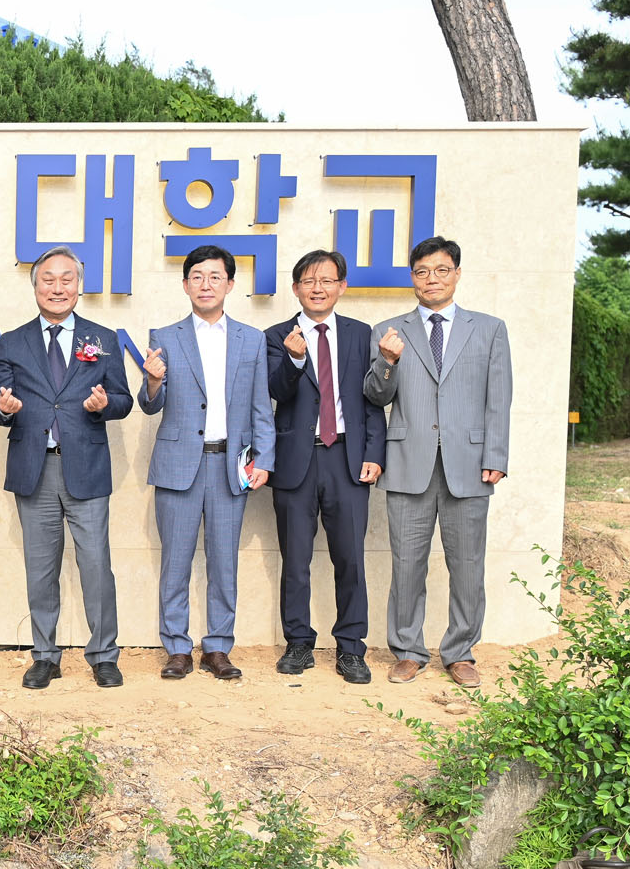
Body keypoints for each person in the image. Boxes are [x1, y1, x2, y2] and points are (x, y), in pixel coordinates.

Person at [363, 236, 511, 688]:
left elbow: (499, 398)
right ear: (413, 278)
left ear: (457, 274)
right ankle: (408, 651)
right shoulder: (388, 330)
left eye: (441, 270)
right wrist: (387, 361)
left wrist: (496, 455)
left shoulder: (489, 329)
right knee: (408, 564)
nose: (432, 279)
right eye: (423, 271)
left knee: (467, 564)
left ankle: (460, 652)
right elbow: (375, 396)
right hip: (408, 461)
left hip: (470, 463)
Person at [0, 245, 133, 690]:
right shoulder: (12, 341)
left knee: (96, 566)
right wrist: (5, 408)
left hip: (86, 467)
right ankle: (45, 656)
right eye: (48, 279)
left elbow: (124, 400)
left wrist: (105, 404)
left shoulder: (102, 338)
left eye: (66, 279)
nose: (57, 287)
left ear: (79, 286)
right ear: (35, 287)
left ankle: (103, 655)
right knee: (40, 570)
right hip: (35, 469)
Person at [138, 244, 276, 680]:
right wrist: (152, 382)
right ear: (185, 285)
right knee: (175, 563)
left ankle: (218, 646)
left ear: (230, 285)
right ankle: (177, 648)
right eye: (197, 276)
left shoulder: (252, 339)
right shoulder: (165, 336)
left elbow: (261, 407)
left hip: (229, 466)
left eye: (215, 276)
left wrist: (264, 459)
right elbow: (150, 403)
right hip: (178, 464)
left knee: (223, 563)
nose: (205, 284)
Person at [264, 250, 387, 685]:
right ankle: (298, 642)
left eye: (327, 280)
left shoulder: (360, 334)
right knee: (295, 560)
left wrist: (374, 453)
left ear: (342, 286)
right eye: (309, 281)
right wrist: (294, 361)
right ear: (296, 288)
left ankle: (351, 648)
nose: (318, 288)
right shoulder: (277, 336)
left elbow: (371, 400)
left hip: (347, 459)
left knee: (350, 559)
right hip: (295, 462)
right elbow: (275, 391)